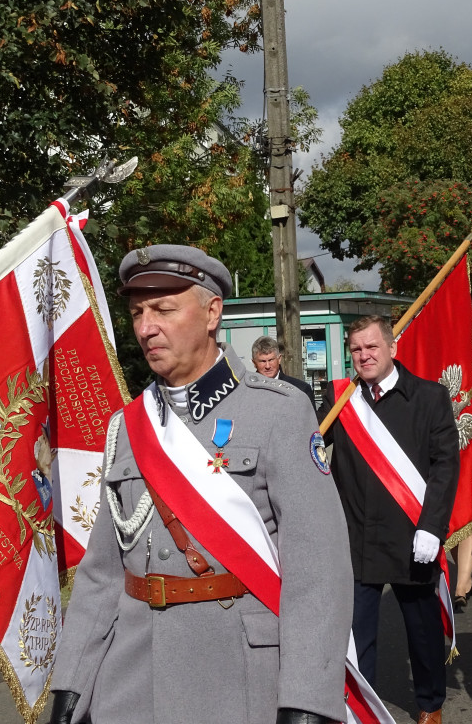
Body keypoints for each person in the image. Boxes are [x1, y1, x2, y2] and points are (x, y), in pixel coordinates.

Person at [50, 245, 353, 724]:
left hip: (236, 678)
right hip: (131, 685)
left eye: (164, 309)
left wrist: (307, 702)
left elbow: (318, 574)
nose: (146, 327)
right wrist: (70, 685)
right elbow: (102, 575)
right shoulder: (128, 426)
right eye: (137, 312)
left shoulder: (277, 412)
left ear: (213, 312)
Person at [319, 316, 459, 724]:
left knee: (422, 631)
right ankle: (362, 707)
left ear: (392, 348)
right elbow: (311, 450)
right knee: (358, 632)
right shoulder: (340, 398)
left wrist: (432, 526)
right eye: (356, 349)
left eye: (372, 347)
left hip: (412, 538)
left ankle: (431, 703)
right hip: (358, 536)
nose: (364, 356)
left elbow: (445, 466)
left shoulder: (429, 397)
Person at [250, 335, 314, 403]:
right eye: (263, 361)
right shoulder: (246, 391)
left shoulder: (301, 389)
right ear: (254, 363)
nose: (268, 366)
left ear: (279, 359)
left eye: (271, 360)